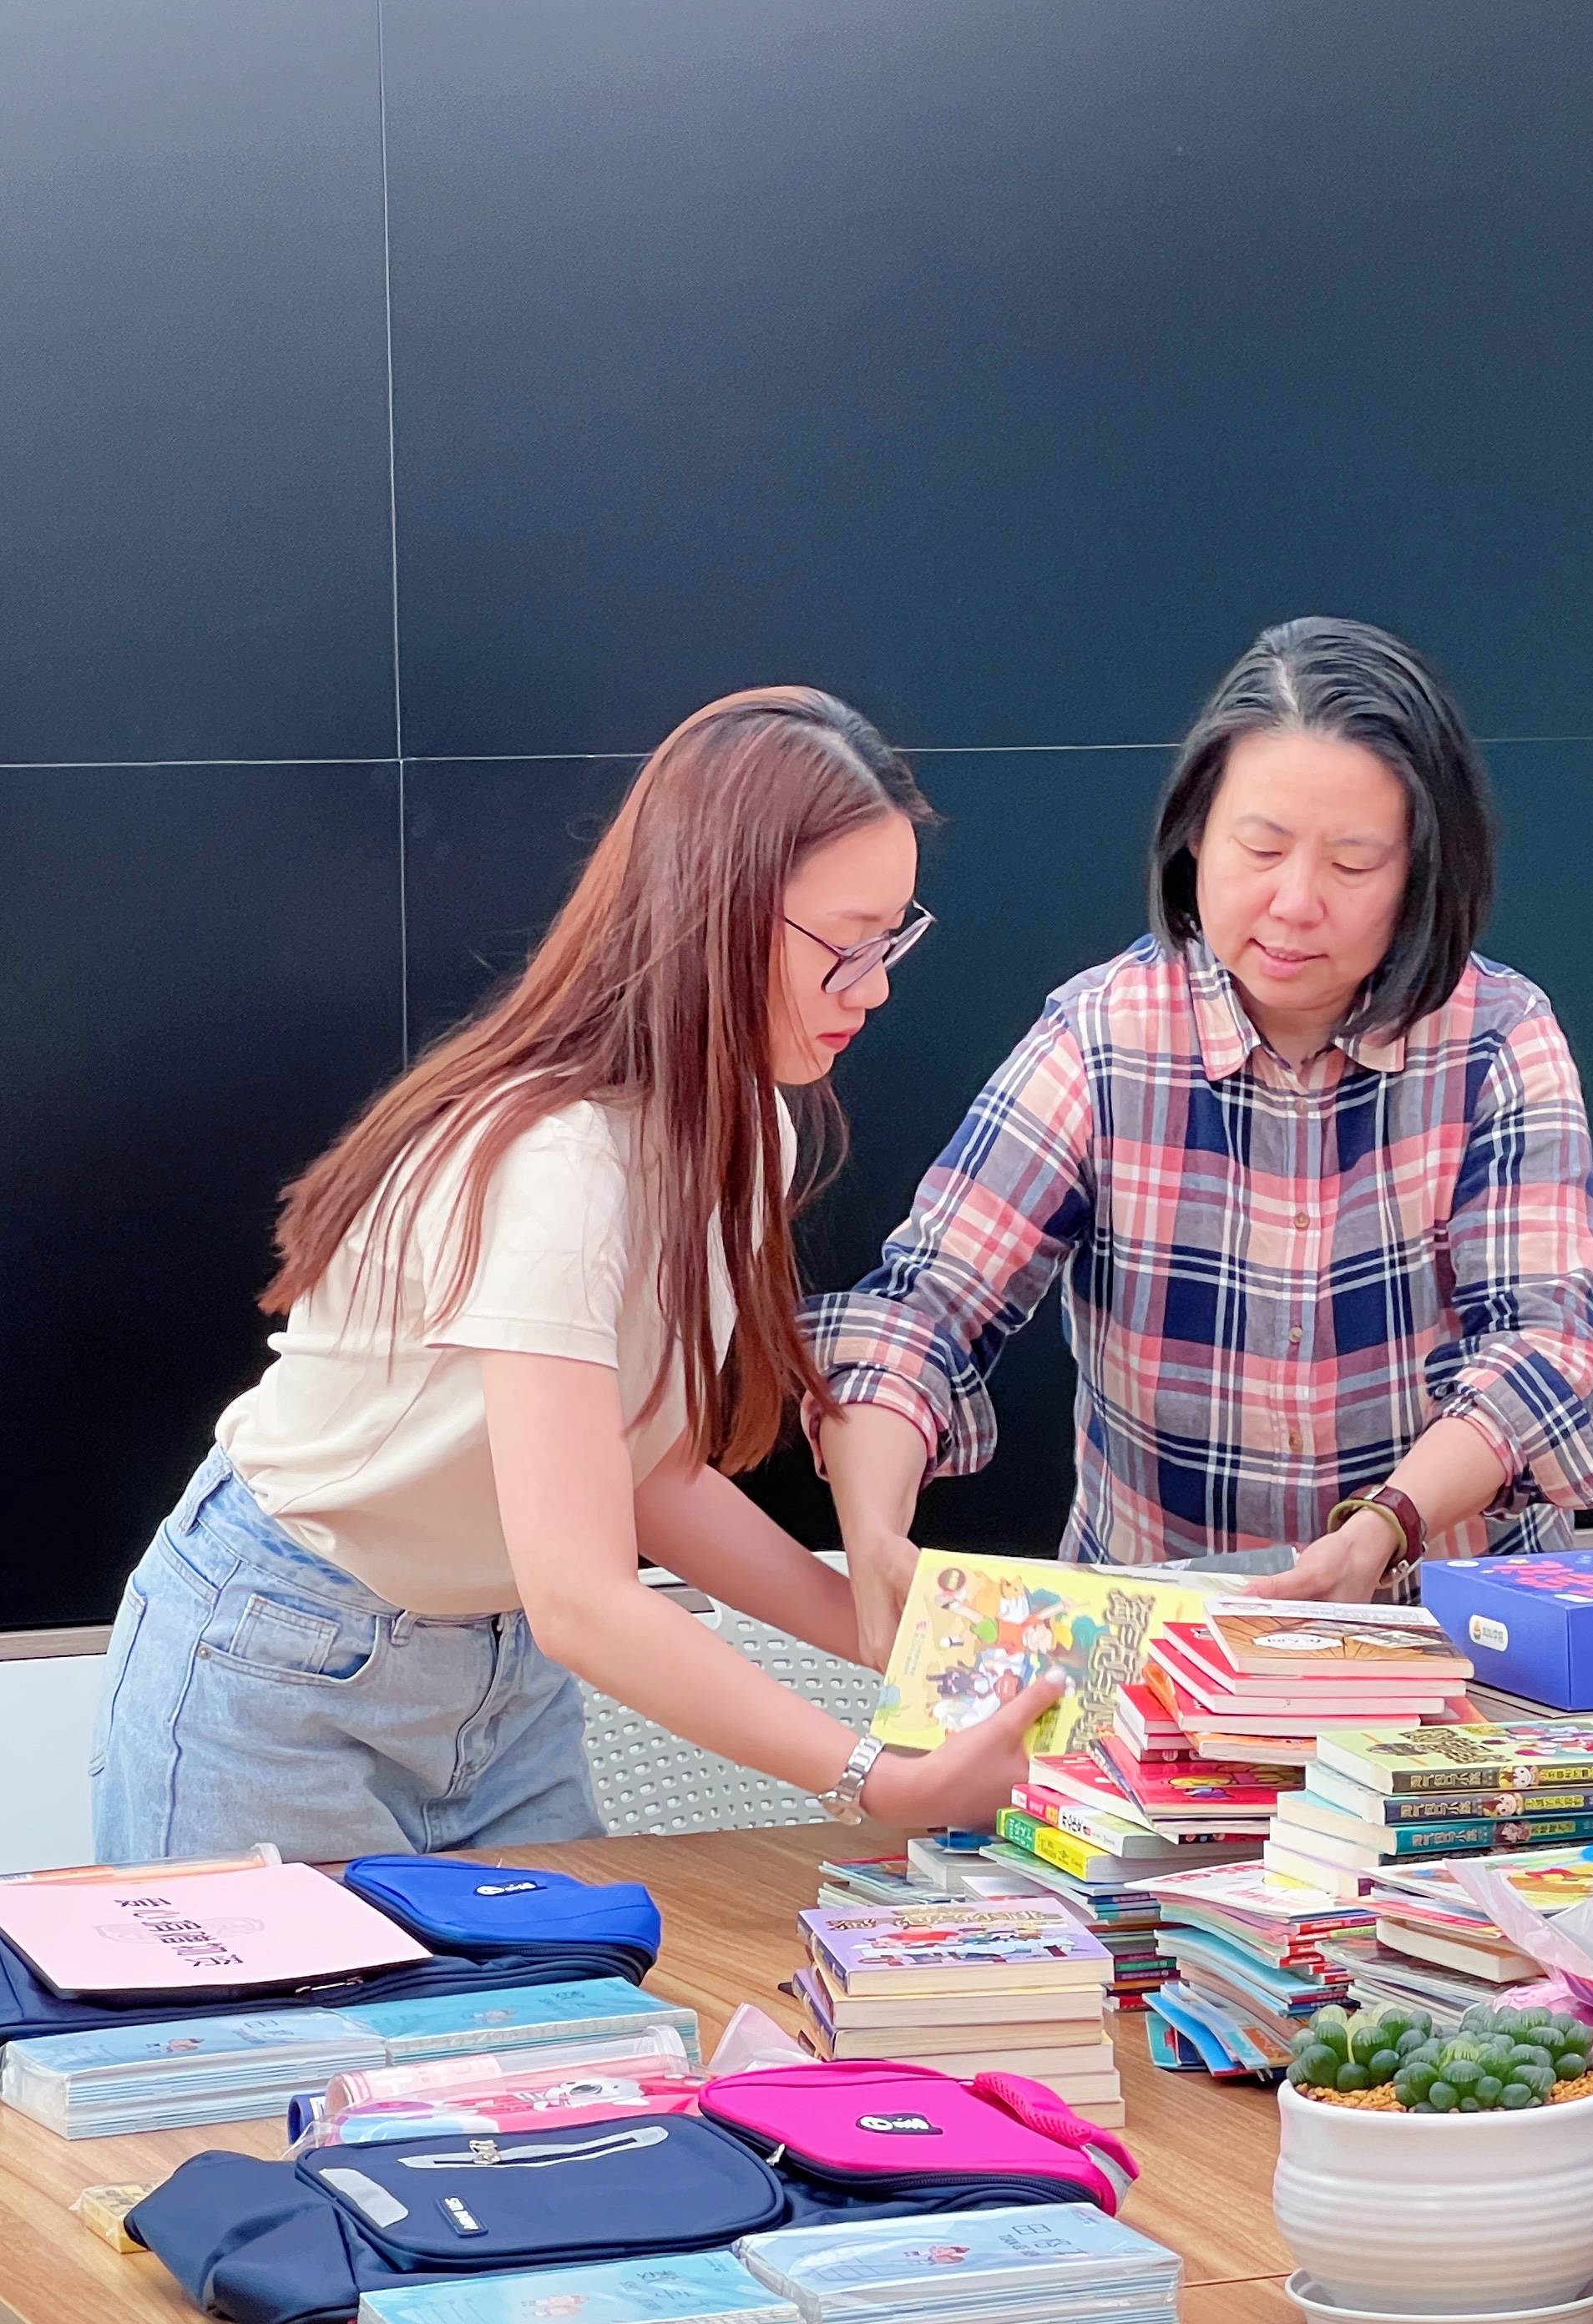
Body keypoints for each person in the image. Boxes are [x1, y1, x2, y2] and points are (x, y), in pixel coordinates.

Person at [93, 687, 1058, 1863]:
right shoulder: (556, 1164)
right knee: (306, 2002)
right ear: (715, 912)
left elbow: (647, 1471)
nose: (876, 987)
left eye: (892, 939)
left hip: (503, 1679)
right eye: (847, 946)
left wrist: (888, 1635)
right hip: (282, 1659)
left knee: (575, 1989)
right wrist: (876, 1776)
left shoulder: (745, 1125)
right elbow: (586, 1600)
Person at [810, 617, 1593, 1662]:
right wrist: (875, 1535)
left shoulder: (1499, 1038)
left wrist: (1382, 1526)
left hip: (1448, 1634)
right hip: (1157, 1647)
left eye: (1352, 862)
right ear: (1195, 832)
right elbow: (922, 1311)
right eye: (1260, 848)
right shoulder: (1104, 1036)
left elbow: (1539, 1345)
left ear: (1421, 871)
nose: (1295, 902)